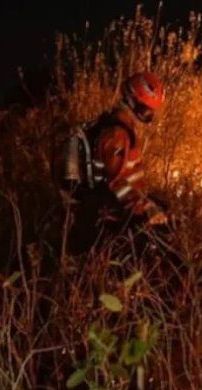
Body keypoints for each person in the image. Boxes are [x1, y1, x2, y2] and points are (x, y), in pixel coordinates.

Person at [57, 72, 168, 254]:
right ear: (133, 101)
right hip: (109, 206)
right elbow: (117, 182)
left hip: (119, 201)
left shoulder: (120, 125)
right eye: (146, 110)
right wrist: (145, 209)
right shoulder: (117, 133)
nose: (149, 116)